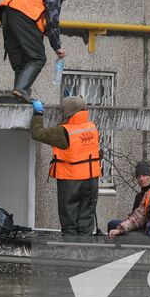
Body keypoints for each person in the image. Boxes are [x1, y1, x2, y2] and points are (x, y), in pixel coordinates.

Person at [29, 95, 101, 236]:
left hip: (71, 182)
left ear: (67, 112)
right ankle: (85, 254)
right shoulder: (92, 127)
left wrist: (38, 113)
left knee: (70, 223)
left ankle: (71, 254)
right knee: (86, 223)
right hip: (92, 181)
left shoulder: (64, 132)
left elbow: (37, 133)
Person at [0, 0, 71, 100]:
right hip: (22, 17)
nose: (62, 0)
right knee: (38, 58)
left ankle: (20, 97)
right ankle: (21, 89)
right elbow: (52, 20)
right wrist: (57, 47)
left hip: (5, 14)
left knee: (22, 63)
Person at [107, 161, 150, 234]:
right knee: (113, 224)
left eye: (144, 175)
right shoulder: (139, 196)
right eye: (138, 176)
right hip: (136, 224)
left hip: (149, 229)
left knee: (115, 225)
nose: (141, 179)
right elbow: (134, 215)